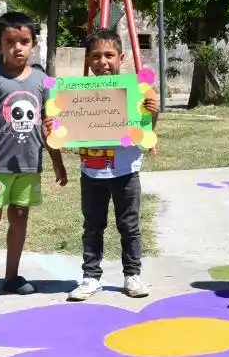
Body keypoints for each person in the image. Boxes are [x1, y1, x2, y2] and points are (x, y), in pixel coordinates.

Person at [0, 12, 68, 304]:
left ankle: (11, 277)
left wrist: (57, 163)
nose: (17, 47)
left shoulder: (43, 81)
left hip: (29, 166)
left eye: (24, 41)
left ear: (33, 45)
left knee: (20, 217)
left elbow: (50, 126)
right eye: (10, 42)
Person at [59, 29, 160, 301]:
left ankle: (132, 275)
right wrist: (56, 125)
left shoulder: (136, 91)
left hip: (126, 172)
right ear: (88, 61)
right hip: (91, 173)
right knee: (92, 226)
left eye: (108, 55)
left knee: (129, 225)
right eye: (95, 56)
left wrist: (153, 112)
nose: (102, 62)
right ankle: (91, 277)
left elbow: (147, 130)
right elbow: (66, 131)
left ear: (121, 58)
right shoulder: (77, 94)